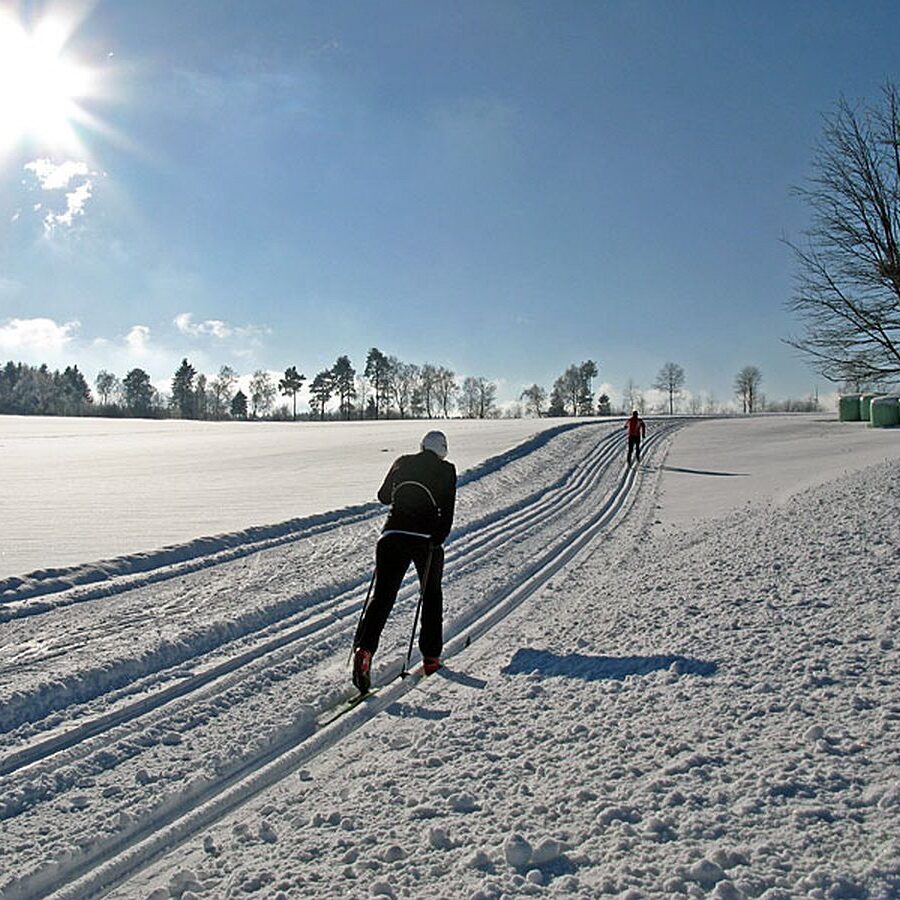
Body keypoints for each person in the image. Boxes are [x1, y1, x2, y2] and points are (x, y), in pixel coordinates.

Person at [352, 430, 457, 693]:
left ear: (422, 446)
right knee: (431, 594)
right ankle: (431, 658)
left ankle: (364, 650)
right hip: (425, 540)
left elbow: (384, 496)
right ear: (442, 450)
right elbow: (448, 510)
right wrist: (438, 539)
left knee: (382, 597)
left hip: (391, 536)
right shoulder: (446, 470)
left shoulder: (401, 461)